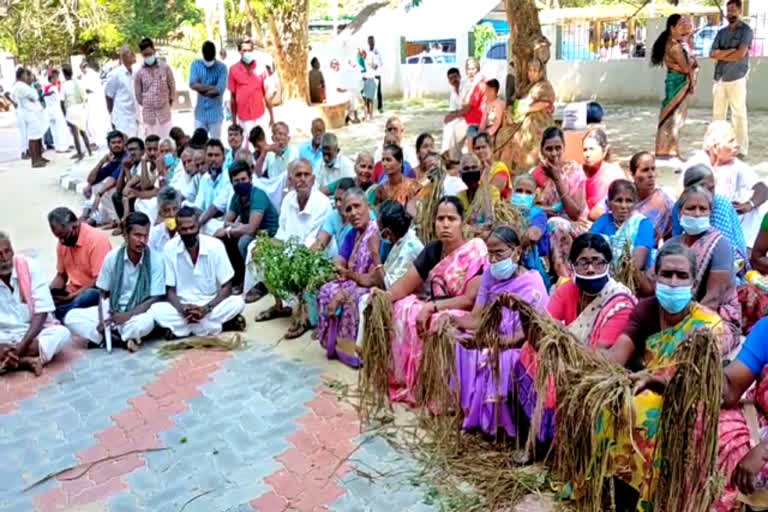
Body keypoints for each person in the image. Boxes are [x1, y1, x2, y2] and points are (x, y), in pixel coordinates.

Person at [562, 242, 728, 510]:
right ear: (655, 276)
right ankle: (605, 486)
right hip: (644, 385)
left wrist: (656, 382)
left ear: (694, 282)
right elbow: (617, 357)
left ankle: (647, 499)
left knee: (645, 411)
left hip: (685, 398)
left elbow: (697, 382)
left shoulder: (709, 326)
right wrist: (570, 348)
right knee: (604, 400)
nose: (673, 282)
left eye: (681, 276)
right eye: (667, 274)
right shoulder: (646, 309)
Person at [516, 233, 636, 445]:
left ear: (608, 264)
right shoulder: (568, 289)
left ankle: (552, 440)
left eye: (598, 262)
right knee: (529, 351)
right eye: (583, 262)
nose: (590, 269)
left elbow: (602, 355)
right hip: (569, 355)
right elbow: (544, 327)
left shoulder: (618, 301)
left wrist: (562, 353)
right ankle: (538, 437)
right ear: (572, 265)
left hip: (599, 366)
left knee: (556, 370)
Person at [389, 196, 487, 405]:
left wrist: (432, 307)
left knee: (441, 320)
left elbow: (469, 300)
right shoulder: (433, 250)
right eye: (440, 218)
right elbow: (405, 284)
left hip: (465, 313)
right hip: (437, 308)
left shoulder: (475, 250)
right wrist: (383, 298)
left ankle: (443, 395)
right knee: (403, 307)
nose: (445, 224)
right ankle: (411, 380)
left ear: (463, 223)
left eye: (452, 219)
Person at [453, 226, 549, 437]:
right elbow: (479, 316)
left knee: (502, 358)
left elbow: (531, 331)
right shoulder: (489, 276)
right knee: (460, 342)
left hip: (520, 342)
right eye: (491, 253)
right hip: (493, 334)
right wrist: (453, 321)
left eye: (500, 253)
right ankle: (470, 414)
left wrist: (493, 343)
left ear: (516, 253)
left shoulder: (533, 283)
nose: (494, 260)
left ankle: (498, 426)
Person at [249, 160, 332, 336]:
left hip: (316, 252)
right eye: (298, 175)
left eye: (306, 175)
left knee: (301, 262)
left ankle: (304, 316)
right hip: (291, 248)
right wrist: (265, 246)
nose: (302, 179)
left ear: (313, 178)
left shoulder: (322, 203)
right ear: (290, 179)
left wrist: (288, 253)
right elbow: (282, 233)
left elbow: (315, 242)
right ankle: (279, 305)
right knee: (256, 250)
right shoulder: (288, 200)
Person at [64, 212, 164, 352]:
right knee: (71, 317)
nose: (142, 241)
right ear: (125, 235)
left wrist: (126, 316)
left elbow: (155, 298)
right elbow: (103, 294)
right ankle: (122, 338)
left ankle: (108, 338)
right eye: (137, 235)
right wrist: (102, 319)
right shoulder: (112, 258)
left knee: (146, 323)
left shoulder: (155, 260)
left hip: (137, 314)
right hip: (112, 311)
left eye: (145, 236)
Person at [150, 207, 246, 337]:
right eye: (184, 229)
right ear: (178, 229)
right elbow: (170, 290)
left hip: (210, 306)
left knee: (237, 302)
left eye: (192, 227)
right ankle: (215, 326)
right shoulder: (169, 249)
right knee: (156, 310)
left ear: (199, 227)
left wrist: (206, 309)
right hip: (183, 307)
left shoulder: (215, 245)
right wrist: (182, 309)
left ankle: (181, 330)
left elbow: (227, 287)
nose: (189, 232)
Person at [670, 184, 741, 352]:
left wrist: (679, 332)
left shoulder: (719, 245)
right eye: (691, 208)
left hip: (714, 318)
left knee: (694, 347)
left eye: (703, 209)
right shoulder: (671, 245)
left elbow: (713, 299)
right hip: (673, 314)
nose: (697, 213)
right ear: (680, 212)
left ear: (710, 213)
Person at [316, 188, 381, 367]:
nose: (353, 212)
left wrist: (347, 282)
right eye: (348, 209)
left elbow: (376, 276)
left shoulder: (377, 232)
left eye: (357, 206)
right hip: (353, 278)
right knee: (326, 290)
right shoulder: (353, 233)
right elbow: (340, 261)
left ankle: (352, 353)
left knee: (351, 299)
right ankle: (332, 344)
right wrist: (338, 271)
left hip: (372, 283)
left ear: (368, 207)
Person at [0, 232, 71, 376]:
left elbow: (42, 311)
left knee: (62, 334)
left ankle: (10, 360)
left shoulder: (29, 266)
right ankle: (23, 362)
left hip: (32, 334)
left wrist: (21, 346)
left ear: (13, 251)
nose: (4, 258)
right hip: (3, 336)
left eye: (7, 251)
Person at [717, 317, 768, 510]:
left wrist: (764, 451)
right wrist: (702, 364)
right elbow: (730, 388)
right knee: (706, 423)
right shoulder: (766, 329)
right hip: (761, 426)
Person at [690, 121, 767, 247]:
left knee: (759, 207)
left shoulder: (735, 164)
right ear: (715, 147)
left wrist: (749, 205)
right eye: (731, 141)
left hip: (727, 218)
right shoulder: (698, 164)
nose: (736, 145)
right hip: (701, 216)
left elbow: (762, 189)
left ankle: (747, 250)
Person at [532, 127, 588, 279]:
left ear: (564, 148)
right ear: (542, 151)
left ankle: (565, 276)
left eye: (558, 148)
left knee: (556, 224)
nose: (554, 153)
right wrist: (547, 210)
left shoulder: (574, 170)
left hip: (574, 227)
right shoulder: (536, 174)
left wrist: (557, 179)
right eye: (549, 149)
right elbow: (530, 205)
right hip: (544, 225)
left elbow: (575, 213)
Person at [215, 160, 279, 290]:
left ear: (250, 179)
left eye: (243, 179)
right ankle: (237, 278)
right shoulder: (236, 197)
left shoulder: (258, 195)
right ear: (232, 183)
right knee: (225, 239)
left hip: (269, 233)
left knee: (243, 242)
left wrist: (231, 229)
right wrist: (232, 229)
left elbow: (251, 228)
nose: (240, 183)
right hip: (253, 233)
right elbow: (227, 222)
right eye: (236, 181)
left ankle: (260, 285)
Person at [671, 164, 748, 264]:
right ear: (689, 189)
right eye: (703, 188)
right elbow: (676, 240)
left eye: (711, 188)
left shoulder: (720, 205)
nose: (709, 194)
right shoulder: (679, 206)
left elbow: (726, 251)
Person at [590, 180, 656, 296]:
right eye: (619, 200)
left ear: (636, 203)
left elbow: (635, 264)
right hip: (602, 279)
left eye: (629, 201)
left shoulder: (642, 224)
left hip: (633, 283)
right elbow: (588, 248)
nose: (624, 206)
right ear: (609, 203)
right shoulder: (603, 221)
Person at [48, 207, 112, 321]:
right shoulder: (63, 242)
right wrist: (51, 292)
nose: (61, 241)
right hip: (73, 292)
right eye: (58, 238)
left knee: (87, 296)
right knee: (46, 295)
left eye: (64, 236)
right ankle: (59, 313)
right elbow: (61, 275)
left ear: (75, 225)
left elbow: (100, 281)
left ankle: (59, 315)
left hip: (97, 291)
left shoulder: (97, 239)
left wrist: (72, 296)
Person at [494, 58, 555, 172]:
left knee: (523, 140)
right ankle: (504, 171)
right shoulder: (525, 87)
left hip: (537, 119)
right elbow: (515, 100)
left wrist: (526, 109)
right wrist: (510, 111)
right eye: (529, 70)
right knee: (503, 134)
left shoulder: (544, 86)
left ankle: (525, 172)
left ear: (540, 72)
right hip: (521, 119)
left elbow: (545, 103)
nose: (531, 73)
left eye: (534, 70)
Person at [652, 14, 698, 159]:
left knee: (670, 116)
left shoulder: (672, 43)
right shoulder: (675, 47)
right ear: (672, 28)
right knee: (675, 118)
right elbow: (685, 68)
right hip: (678, 84)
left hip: (674, 81)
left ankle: (666, 150)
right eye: (680, 25)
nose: (683, 27)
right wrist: (693, 61)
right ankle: (671, 151)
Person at [711, 0, 752, 157]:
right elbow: (712, 53)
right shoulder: (721, 32)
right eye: (728, 10)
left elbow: (741, 54)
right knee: (718, 114)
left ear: (739, 11)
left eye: (733, 10)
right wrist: (730, 52)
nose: (730, 14)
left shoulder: (746, 31)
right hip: (720, 77)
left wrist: (722, 53)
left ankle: (741, 149)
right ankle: (717, 146)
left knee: (739, 114)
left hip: (737, 77)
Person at [229, 37, 274, 146]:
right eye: (244, 50)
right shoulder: (233, 70)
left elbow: (267, 94)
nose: (247, 53)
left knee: (262, 144)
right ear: (239, 51)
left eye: (249, 50)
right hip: (244, 117)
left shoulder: (261, 68)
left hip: (260, 115)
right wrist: (234, 121)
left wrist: (272, 116)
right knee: (247, 145)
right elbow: (233, 98)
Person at [510, 174, 550, 288]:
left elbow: (534, 235)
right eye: (519, 190)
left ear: (534, 195)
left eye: (528, 192)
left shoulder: (538, 213)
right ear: (512, 192)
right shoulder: (503, 212)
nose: (523, 195)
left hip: (533, 269)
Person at [81, 131, 128, 226]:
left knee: (103, 189)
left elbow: (114, 179)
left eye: (119, 142)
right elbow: (91, 180)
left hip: (125, 192)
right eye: (113, 143)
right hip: (115, 194)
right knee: (93, 186)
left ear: (123, 143)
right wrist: (101, 162)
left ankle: (116, 220)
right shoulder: (113, 159)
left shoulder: (125, 157)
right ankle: (91, 216)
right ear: (109, 145)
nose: (116, 145)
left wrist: (99, 194)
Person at [581, 128, 626, 221]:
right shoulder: (579, 172)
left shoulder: (614, 174)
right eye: (585, 150)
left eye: (592, 149)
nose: (587, 154)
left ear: (604, 151)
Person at [629, 151, 674, 244]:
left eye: (653, 169)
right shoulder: (623, 195)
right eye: (645, 170)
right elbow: (595, 213)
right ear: (633, 174)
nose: (651, 175)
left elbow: (672, 233)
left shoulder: (664, 200)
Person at [135, 38, 176, 138]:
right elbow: (139, 96)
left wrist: (168, 102)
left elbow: (172, 86)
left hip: (165, 114)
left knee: (167, 143)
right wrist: (149, 103)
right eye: (145, 55)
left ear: (154, 51)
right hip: (149, 118)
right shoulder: (139, 73)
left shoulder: (165, 68)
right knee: (152, 145)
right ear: (142, 54)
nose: (148, 57)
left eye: (150, 53)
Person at [189, 41, 227, 139]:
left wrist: (200, 88)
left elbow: (219, 90)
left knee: (215, 145)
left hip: (215, 115)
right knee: (199, 145)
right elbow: (192, 84)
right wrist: (212, 87)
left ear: (215, 54)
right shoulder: (196, 64)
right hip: (200, 115)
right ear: (203, 54)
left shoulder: (222, 68)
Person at [195, 139, 232, 235]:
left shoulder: (228, 177)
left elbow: (216, 208)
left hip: (222, 223)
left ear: (223, 158)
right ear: (205, 158)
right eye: (210, 155)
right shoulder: (204, 178)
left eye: (217, 155)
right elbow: (198, 206)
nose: (213, 159)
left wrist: (198, 224)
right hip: (205, 220)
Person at [13, 68, 49, 167]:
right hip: (29, 114)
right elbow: (35, 95)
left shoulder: (25, 86)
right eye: (26, 75)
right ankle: (35, 160)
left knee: (38, 135)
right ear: (20, 76)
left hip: (34, 113)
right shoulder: (20, 86)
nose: (28, 77)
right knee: (33, 137)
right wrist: (33, 95)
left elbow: (34, 96)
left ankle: (39, 157)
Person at [105, 45, 139, 137]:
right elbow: (109, 96)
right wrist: (112, 115)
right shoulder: (115, 74)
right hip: (121, 117)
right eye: (130, 53)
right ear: (123, 57)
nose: (133, 55)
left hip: (134, 116)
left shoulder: (135, 72)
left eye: (132, 53)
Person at [61, 64, 92, 161]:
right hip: (80, 108)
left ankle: (79, 153)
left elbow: (62, 101)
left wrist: (64, 113)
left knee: (75, 134)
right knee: (83, 131)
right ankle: (89, 151)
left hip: (71, 109)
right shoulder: (79, 82)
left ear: (64, 74)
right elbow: (85, 97)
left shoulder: (64, 85)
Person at [80, 60, 111, 148]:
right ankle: (94, 140)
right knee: (92, 121)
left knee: (95, 120)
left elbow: (89, 88)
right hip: (91, 100)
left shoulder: (91, 75)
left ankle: (97, 140)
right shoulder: (87, 75)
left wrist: (84, 90)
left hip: (94, 99)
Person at [473, 132, 512, 200]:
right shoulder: (474, 171)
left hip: (496, 209)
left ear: (491, 148)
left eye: (484, 147)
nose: (480, 151)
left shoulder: (500, 167)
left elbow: (493, 193)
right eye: (477, 148)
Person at [43, 69, 71, 153]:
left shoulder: (46, 87)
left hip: (50, 111)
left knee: (54, 130)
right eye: (55, 78)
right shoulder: (53, 88)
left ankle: (58, 147)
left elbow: (45, 95)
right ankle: (63, 147)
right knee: (61, 129)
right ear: (51, 79)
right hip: (56, 110)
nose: (57, 79)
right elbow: (58, 98)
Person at [442, 67, 467, 160]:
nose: (454, 80)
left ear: (460, 77)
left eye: (455, 77)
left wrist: (455, 115)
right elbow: (452, 111)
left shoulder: (465, 87)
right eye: (451, 78)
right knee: (448, 125)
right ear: (449, 81)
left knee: (451, 128)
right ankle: (449, 154)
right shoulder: (453, 93)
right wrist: (450, 116)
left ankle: (447, 153)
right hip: (461, 118)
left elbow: (466, 109)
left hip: (470, 118)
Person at [460, 58, 485, 146]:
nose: (471, 72)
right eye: (469, 69)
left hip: (476, 121)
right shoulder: (467, 83)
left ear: (477, 69)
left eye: (473, 69)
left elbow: (467, 103)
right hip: (468, 118)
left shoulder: (480, 84)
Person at [148, 186, 180, 252]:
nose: (172, 214)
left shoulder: (186, 233)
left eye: (175, 209)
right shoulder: (154, 233)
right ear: (160, 213)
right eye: (167, 210)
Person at [367, 35, 383, 113]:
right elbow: (366, 63)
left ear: (374, 42)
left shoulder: (377, 51)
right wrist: (370, 65)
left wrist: (375, 66)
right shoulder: (366, 51)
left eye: (372, 41)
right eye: (370, 41)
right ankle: (369, 110)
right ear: (368, 42)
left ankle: (380, 107)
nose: (371, 43)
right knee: (369, 92)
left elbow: (380, 63)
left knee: (379, 92)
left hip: (377, 74)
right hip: (369, 75)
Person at [360, 49, 377, 121]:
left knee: (370, 99)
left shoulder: (368, 60)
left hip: (370, 80)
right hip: (362, 81)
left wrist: (372, 64)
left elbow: (375, 67)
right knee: (364, 100)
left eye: (363, 53)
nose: (362, 55)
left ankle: (371, 116)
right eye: (361, 54)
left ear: (365, 53)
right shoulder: (359, 62)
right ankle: (366, 115)